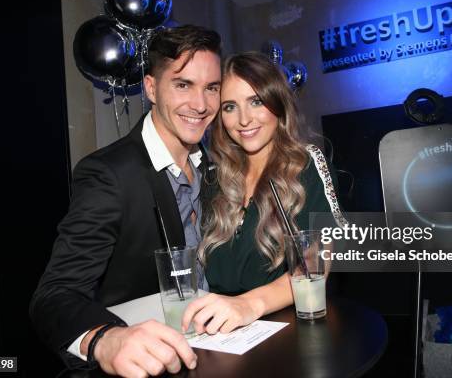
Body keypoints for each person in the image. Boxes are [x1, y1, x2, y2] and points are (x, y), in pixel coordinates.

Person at [30, 25, 222, 377]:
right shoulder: (109, 173)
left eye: (211, 88)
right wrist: (107, 340)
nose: (201, 104)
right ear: (151, 87)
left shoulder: (211, 166)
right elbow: (53, 296)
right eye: (183, 85)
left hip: (215, 353)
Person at [181, 51, 347, 335]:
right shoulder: (213, 177)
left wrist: (247, 305)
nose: (244, 119)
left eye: (256, 102)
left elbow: (316, 263)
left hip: (290, 331)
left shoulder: (307, 164)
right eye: (230, 107)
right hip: (218, 334)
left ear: (278, 102)